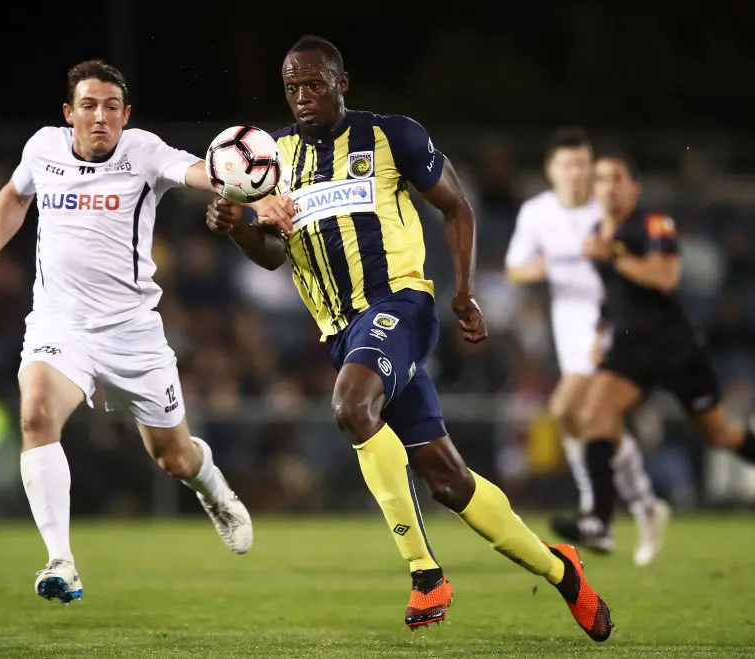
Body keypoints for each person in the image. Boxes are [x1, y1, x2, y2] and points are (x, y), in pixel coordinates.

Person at [205, 35, 612, 641]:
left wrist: (464, 292)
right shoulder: (273, 159)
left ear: (343, 82)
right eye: (292, 86)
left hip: (399, 304)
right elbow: (271, 256)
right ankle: (564, 572)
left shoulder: (392, 135)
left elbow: (458, 207)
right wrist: (239, 226)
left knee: (349, 405)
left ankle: (425, 574)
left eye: (314, 83)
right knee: (448, 478)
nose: (302, 96)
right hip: (342, 332)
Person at [0, 59, 268, 605]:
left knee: (174, 459)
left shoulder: (143, 151)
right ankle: (61, 561)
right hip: (60, 326)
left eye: (111, 107)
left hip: (132, 335)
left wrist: (250, 193)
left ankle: (212, 488)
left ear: (126, 115)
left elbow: (199, 172)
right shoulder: (43, 149)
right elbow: (14, 196)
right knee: (34, 415)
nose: (100, 117)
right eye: (89, 105)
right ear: (69, 113)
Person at [570, 151, 755, 545]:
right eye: (601, 179)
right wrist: (601, 333)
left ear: (634, 187)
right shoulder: (602, 233)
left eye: (617, 178)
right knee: (595, 416)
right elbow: (613, 296)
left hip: (673, 347)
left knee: (719, 433)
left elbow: (664, 277)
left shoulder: (652, 224)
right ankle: (599, 522)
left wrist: (614, 255)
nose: (608, 186)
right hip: (632, 349)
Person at [505, 127, 670, 565]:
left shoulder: (608, 211)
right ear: (551, 170)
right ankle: (644, 506)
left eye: (584, 164)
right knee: (599, 423)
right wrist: (549, 264)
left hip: (611, 328)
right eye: (569, 165)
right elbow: (514, 270)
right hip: (569, 331)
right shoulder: (537, 213)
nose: (578, 173)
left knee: (564, 410)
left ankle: (597, 510)